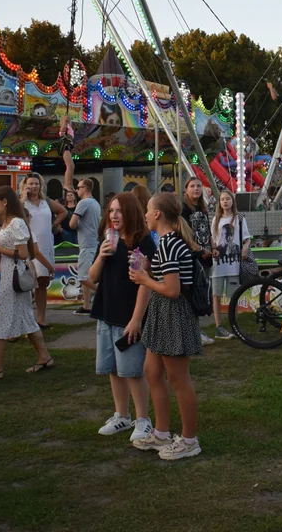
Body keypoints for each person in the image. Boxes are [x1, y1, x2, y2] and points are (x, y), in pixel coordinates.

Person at [128, 193, 204, 460]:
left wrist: (144, 278)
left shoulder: (170, 244)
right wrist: (149, 270)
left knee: (178, 379)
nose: (146, 214)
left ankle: (189, 440)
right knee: (151, 370)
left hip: (172, 313)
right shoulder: (167, 243)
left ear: (158, 214)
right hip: (162, 313)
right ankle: (161, 434)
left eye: (148, 210)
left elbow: (172, 290)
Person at [88, 193, 155, 440]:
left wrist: (136, 319)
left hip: (129, 315)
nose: (113, 216)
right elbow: (92, 277)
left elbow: (145, 285)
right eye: (111, 211)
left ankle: (143, 420)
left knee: (133, 370)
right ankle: (121, 416)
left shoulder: (143, 242)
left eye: (119, 211)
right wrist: (102, 256)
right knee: (113, 369)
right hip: (106, 312)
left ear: (130, 213)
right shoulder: (107, 239)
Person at [0, 186, 55, 380]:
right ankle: (44, 357)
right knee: (27, 318)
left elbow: (23, 253)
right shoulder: (9, 222)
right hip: (11, 275)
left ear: (5, 202)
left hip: (13, 277)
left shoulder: (16, 223)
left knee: (0, 319)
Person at [22, 173, 68, 328]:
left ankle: (41, 318)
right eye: (30, 183)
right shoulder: (22, 202)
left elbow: (63, 211)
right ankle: (27, 319)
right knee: (27, 284)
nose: (34, 186)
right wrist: (22, 198)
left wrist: (53, 225)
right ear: (25, 185)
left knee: (42, 283)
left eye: (36, 183)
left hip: (46, 244)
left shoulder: (46, 202)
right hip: (29, 246)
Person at [210, 190, 247, 340]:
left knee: (233, 297)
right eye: (222, 199)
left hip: (234, 265)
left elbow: (246, 238)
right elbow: (213, 238)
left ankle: (234, 324)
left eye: (227, 199)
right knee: (216, 295)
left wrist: (245, 248)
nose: (225, 201)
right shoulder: (216, 220)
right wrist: (214, 249)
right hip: (218, 265)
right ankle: (218, 326)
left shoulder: (238, 219)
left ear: (232, 201)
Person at [180, 177, 213, 343]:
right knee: (194, 294)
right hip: (193, 257)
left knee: (202, 294)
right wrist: (199, 249)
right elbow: (184, 234)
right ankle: (194, 332)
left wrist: (212, 247)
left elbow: (207, 230)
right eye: (192, 186)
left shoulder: (203, 208)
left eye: (199, 186)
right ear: (186, 189)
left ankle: (196, 330)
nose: (196, 189)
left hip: (206, 256)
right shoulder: (183, 209)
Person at [70, 177, 103, 315]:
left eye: (78, 187)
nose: (76, 190)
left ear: (85, 189)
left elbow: (72, 224)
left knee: (83, 277)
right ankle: (86, 305)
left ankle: (106, 292)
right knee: (87, 275)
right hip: (93, 242)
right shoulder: (95, 203)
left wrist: (76, 225)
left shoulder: (83, 203)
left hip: (86, 243)